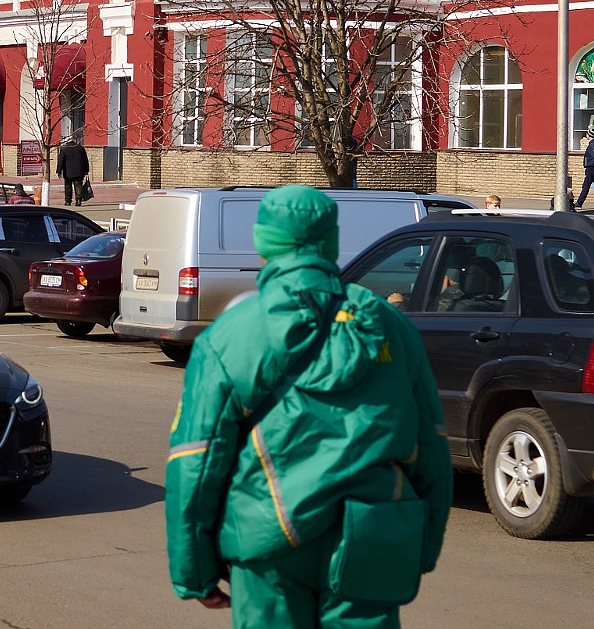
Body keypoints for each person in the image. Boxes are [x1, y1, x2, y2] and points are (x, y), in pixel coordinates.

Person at [165, 185, 451, 627]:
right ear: (330, 241)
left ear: (265, 243)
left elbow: (196, 461)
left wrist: (195, 572)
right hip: (373, 534)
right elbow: (431, 448)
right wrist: (420, 547)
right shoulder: (392, 327)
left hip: (268, 539)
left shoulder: (229, 335)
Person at [574, 127, 594, 210]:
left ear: (589, 135)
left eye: (587, 134)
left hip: (591, 168)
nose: (586, 135)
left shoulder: (592, 145)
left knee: (586, 186)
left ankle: (579, 203)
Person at [56, 134, 90, 206]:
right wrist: (86, 169)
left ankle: (68, 201)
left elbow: (60, 161)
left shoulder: (64, 149)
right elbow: (85, 160)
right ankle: (78, 201)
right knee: (78, 186)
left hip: (68, 171)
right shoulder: (80, 148)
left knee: (68, 186)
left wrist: (58, 171)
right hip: (79, 171)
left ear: (67, 141)